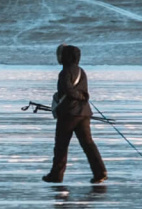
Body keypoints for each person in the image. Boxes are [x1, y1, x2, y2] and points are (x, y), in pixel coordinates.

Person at [42, 43, 108, 184]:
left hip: (69, 114)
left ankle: (56, 175)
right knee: (88, 144)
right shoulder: (81, 71)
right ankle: (100, 172)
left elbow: (68, 89)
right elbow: (82, 91)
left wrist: (78, 96)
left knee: (61, 145)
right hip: (84, 113)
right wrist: (82, 97)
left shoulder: (65, 72)